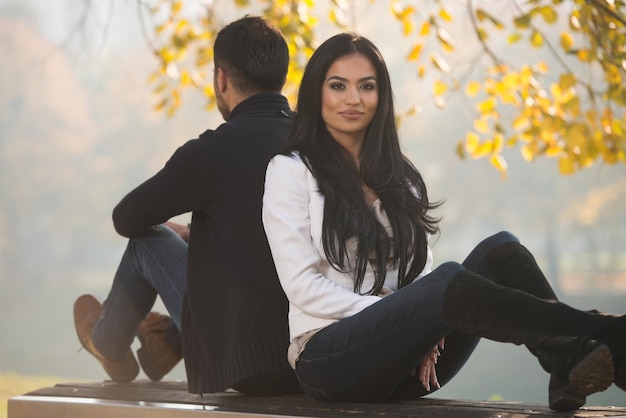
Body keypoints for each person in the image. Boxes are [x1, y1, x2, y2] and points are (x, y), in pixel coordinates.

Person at [261, 32, 625, 411]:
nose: (354, 99)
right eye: (338, 86)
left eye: (366, 86)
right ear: (316, 92)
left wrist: (418, 325)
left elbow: (422, 270)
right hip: (331, 357)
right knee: (446, 284)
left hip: (413, 362)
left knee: (500, 249)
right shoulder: (290, 171)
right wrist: (409, 315)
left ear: (381, 96)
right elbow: (302, 285)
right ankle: (607, 333)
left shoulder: (398, 177)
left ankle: (562, 359)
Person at [73, 15, 302, 395]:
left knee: (148, 242)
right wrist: (197, 233)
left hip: (239, 363)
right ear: (282, 76)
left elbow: (126, 218)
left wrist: (172, 230)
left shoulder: (209, 152)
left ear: (221, 79)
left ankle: (110, 343)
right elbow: (265, 232)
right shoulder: (318, 143)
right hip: (309, 357)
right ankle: (164, 340)